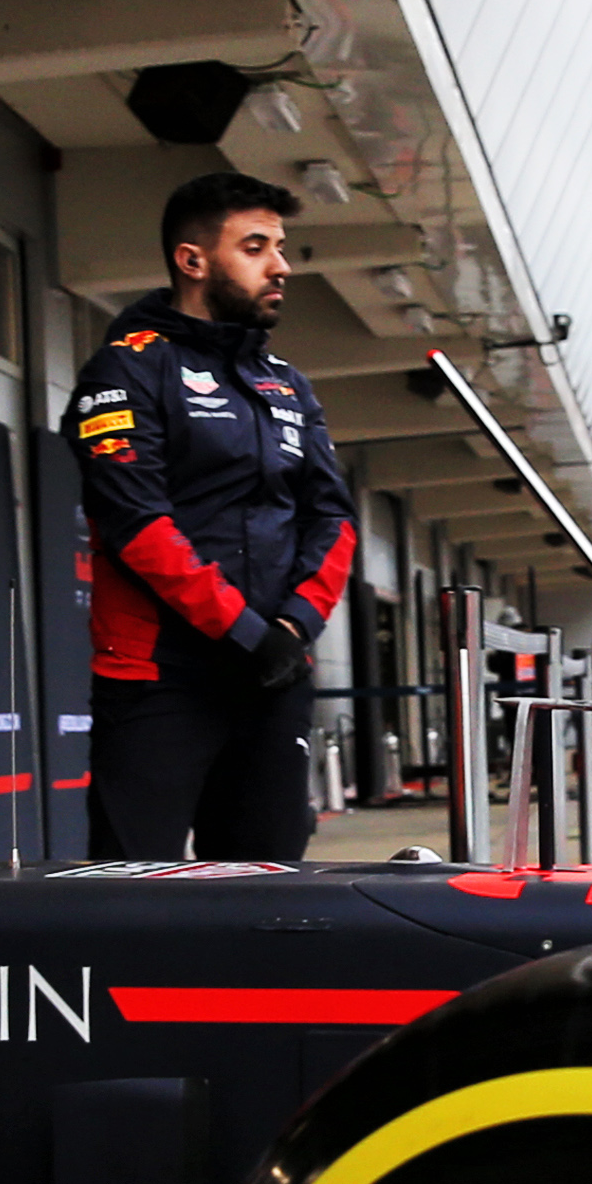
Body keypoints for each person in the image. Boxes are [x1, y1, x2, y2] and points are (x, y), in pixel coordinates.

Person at [74, 169, 351, 860]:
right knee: (133, 896)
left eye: (281, 247)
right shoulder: (126, 370)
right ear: (192, 260)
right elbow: (136, 524)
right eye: (256, 247)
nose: (281, 266)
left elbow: (334, 517)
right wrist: (247, 633)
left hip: (275, 673)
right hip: (158, 679)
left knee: (270, 892)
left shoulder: (287, 383)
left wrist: (293, 626)